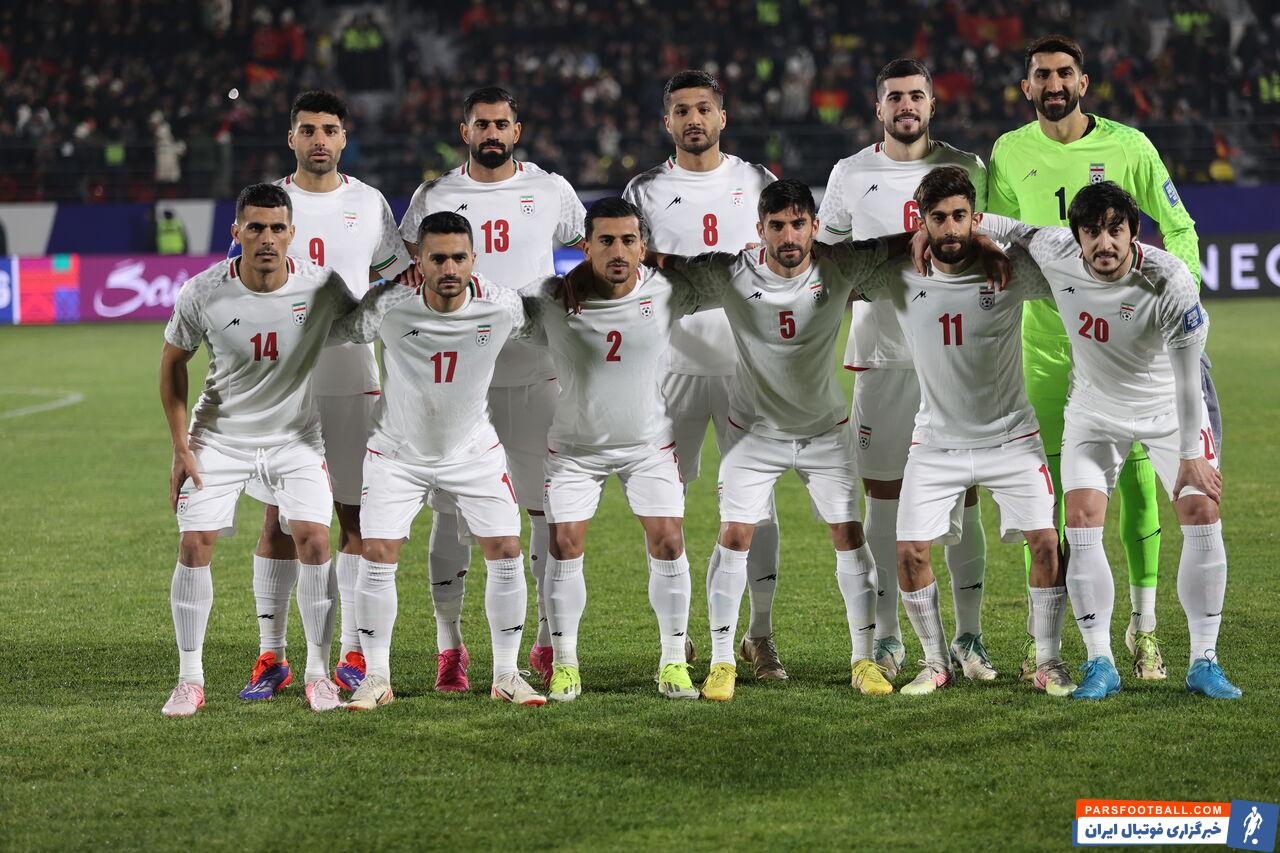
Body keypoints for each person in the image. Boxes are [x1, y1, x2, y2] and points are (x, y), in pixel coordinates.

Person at [650, 179, 1011, 700]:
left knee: (849, 535)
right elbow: (667, 267)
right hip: (755, 435)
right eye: (777, 226)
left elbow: (891, 247)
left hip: (824, 433)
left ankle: (863, 660)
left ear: (815, 228)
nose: (788, 236)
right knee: (734, 536)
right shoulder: (732, 272)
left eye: (798, 224)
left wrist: (932, 236)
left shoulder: (838, 265)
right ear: (760, 230)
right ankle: (723, 661)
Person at [987, 34, 1212, 681]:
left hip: (1127, 352)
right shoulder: (1008, 152)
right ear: (1027, 86)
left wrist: (1177, 299)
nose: (1054, 84)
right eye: (1042, 75)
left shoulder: (1129, 147)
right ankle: (1049, 642)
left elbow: (1180, 226)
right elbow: (1002, 247)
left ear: (1083, 82)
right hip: (1044, 353)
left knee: (1140, 490)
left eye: (1065, 73)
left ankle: (1144, 629)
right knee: (1052, 503)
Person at [978, 182, 1238, 700]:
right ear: (1076, 236)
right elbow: (1008, 225)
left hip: (1169, 411)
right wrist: (951, 232)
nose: (1105, 243)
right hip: (1095, 413)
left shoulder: (1168, 279)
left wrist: (1191, 456)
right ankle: (1101, 661)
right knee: (1080, 521)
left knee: (1201, 511)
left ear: (1133, 232)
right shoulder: (1057, 251)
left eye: (1116, 230)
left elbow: (1189, 379)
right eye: (1092, 232)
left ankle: (1204, 660)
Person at [158, 183, 407, 716]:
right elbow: (173, 362)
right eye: (256, 228)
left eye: (277, 228)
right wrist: (181, 446)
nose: (267, 238)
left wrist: (396, 291)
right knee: (195, 543)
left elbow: (358, 326)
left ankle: (318, 673)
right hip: (220, 437)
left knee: (315, 538)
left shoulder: (320, 285)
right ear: (237, 233)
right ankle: (189, 680)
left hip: (295, 438)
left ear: (292, 233)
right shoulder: (203, 292)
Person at [399, 86, 586, 692]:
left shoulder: (550, 190)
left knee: (546, 511)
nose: (492, 134)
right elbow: (409, 270)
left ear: (517, 129)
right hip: (457, 387)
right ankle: (449, 646)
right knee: (450, 514)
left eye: (502, 124)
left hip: (536, 376)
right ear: (465, 131)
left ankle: (545, 641)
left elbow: (592, 246)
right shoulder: (433, 197)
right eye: (481, 124)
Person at [816, 58, 994, 683]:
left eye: (916, 95)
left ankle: (969, 637)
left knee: (965, 494)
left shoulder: (969, 168)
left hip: (956, 357)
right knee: (885, 498)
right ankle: (889, 637)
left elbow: (992, 240)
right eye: (894, 97)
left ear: (931, 103)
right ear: (879, 108)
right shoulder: (850, 173)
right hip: (884, 357)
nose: (906, 106)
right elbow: (829, 258)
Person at [862, 166, 1071, 696]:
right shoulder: (898, 273)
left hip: (1011, 438)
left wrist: (993, 233)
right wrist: (904, 240)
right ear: (923, 221)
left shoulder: (1010, 270)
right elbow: (840, 259)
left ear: (975, 217)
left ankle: (1047, 660)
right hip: (937, 442)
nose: (951, 228)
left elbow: (1063, 244)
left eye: (961, 216)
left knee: (1047, 544)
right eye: (939, 218)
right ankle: (936, 663)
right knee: (909, 553)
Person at [334, 211, 547, 711]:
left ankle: (506, 674)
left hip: (472, 450)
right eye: (437, 258)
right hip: (397, 453)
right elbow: (346, 330)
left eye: (458, 258)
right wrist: (378, 290)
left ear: (474, 258)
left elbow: (543, 328)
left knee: (506, 549)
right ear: (419, 261)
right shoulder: (390, 304)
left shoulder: (501, 305)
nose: (449, 268)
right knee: (377, 552)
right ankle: (377, 677)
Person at [238, 90, 409, 704]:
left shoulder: (368, 203)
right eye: (308, 129)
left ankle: (354, 652)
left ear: (343, 138)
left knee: (354, 514)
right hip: (283, 386)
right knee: (277, 519)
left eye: (329, 130)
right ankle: (273, 654)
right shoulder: (270, 205)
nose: (319, 140)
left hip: (353, 378)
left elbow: (398, 275)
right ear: (292, 138)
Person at [622, 70, 783, 679]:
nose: (694, 119)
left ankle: (758, 635)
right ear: (667, 121)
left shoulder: (756, 180)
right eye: (682, 110)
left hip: (747, 367)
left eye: (704, 109)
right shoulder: (644, 189)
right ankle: (678, 636)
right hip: (671, 369)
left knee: (757, 506)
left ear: (723, 116)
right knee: (666, 505)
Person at [523, 197, 709, 702]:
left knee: (668, 540)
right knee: (564, 545)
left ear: (643, 247)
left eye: (629, 240)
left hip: (648, 445)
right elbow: (495, 308)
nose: (618, 251)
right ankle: (565, 666)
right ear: (586, 247)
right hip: (575, 450)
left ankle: (673, 663)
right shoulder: (552, 297)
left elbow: (727, 276)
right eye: (606, 241)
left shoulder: (666, 289)